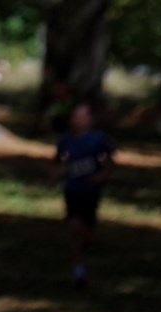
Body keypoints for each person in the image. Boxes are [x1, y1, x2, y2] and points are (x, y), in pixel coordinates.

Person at [54, 103, 114, 288]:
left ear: (89, 120)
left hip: (91, 191)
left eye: (82, 117)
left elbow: (110, 163)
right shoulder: (65, 140)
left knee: (87, 232)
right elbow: (58, 162)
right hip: (72, 190)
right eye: (75, 117)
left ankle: (84, 254)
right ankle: (78, 269)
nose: (78, 121)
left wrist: (101, 176)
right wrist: (55, 174)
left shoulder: (98, 140)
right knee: (74, 229)